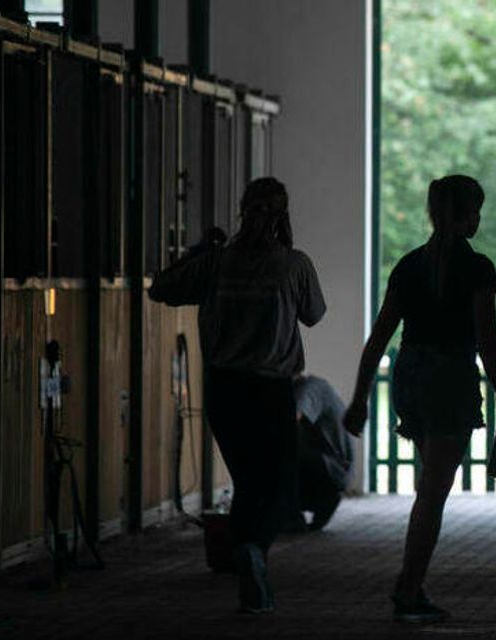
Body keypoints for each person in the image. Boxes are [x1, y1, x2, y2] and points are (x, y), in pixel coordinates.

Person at [343, 174, 496, 624]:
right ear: (466, 215)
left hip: (411, 377)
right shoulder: (478, 269)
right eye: (476, 210)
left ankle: (411, 584)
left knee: (429, 487)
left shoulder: (409, 266)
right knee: (432, 494)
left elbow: (379, 339)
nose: (478, 218)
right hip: (450, 379)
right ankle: (408, 587)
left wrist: (360, 398)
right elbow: (488, 340)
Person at [148, 177, 326, 614]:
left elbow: (161, 287)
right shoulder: (294, 264)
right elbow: (315, 314)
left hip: (224, 389)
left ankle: (252, 572)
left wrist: (201, 251)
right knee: (280, 487)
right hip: (270, 389)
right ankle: (251, 550)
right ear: (283, 215)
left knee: (247, 481)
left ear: (243, 211)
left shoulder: (218, 264)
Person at [284, 373, 354, 532]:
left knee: (277, 449)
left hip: (329, 470)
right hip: (333, 470)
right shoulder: (315, 386)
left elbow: (291, 418)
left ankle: (292, 516)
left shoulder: (307, 389)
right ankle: (318, 505)